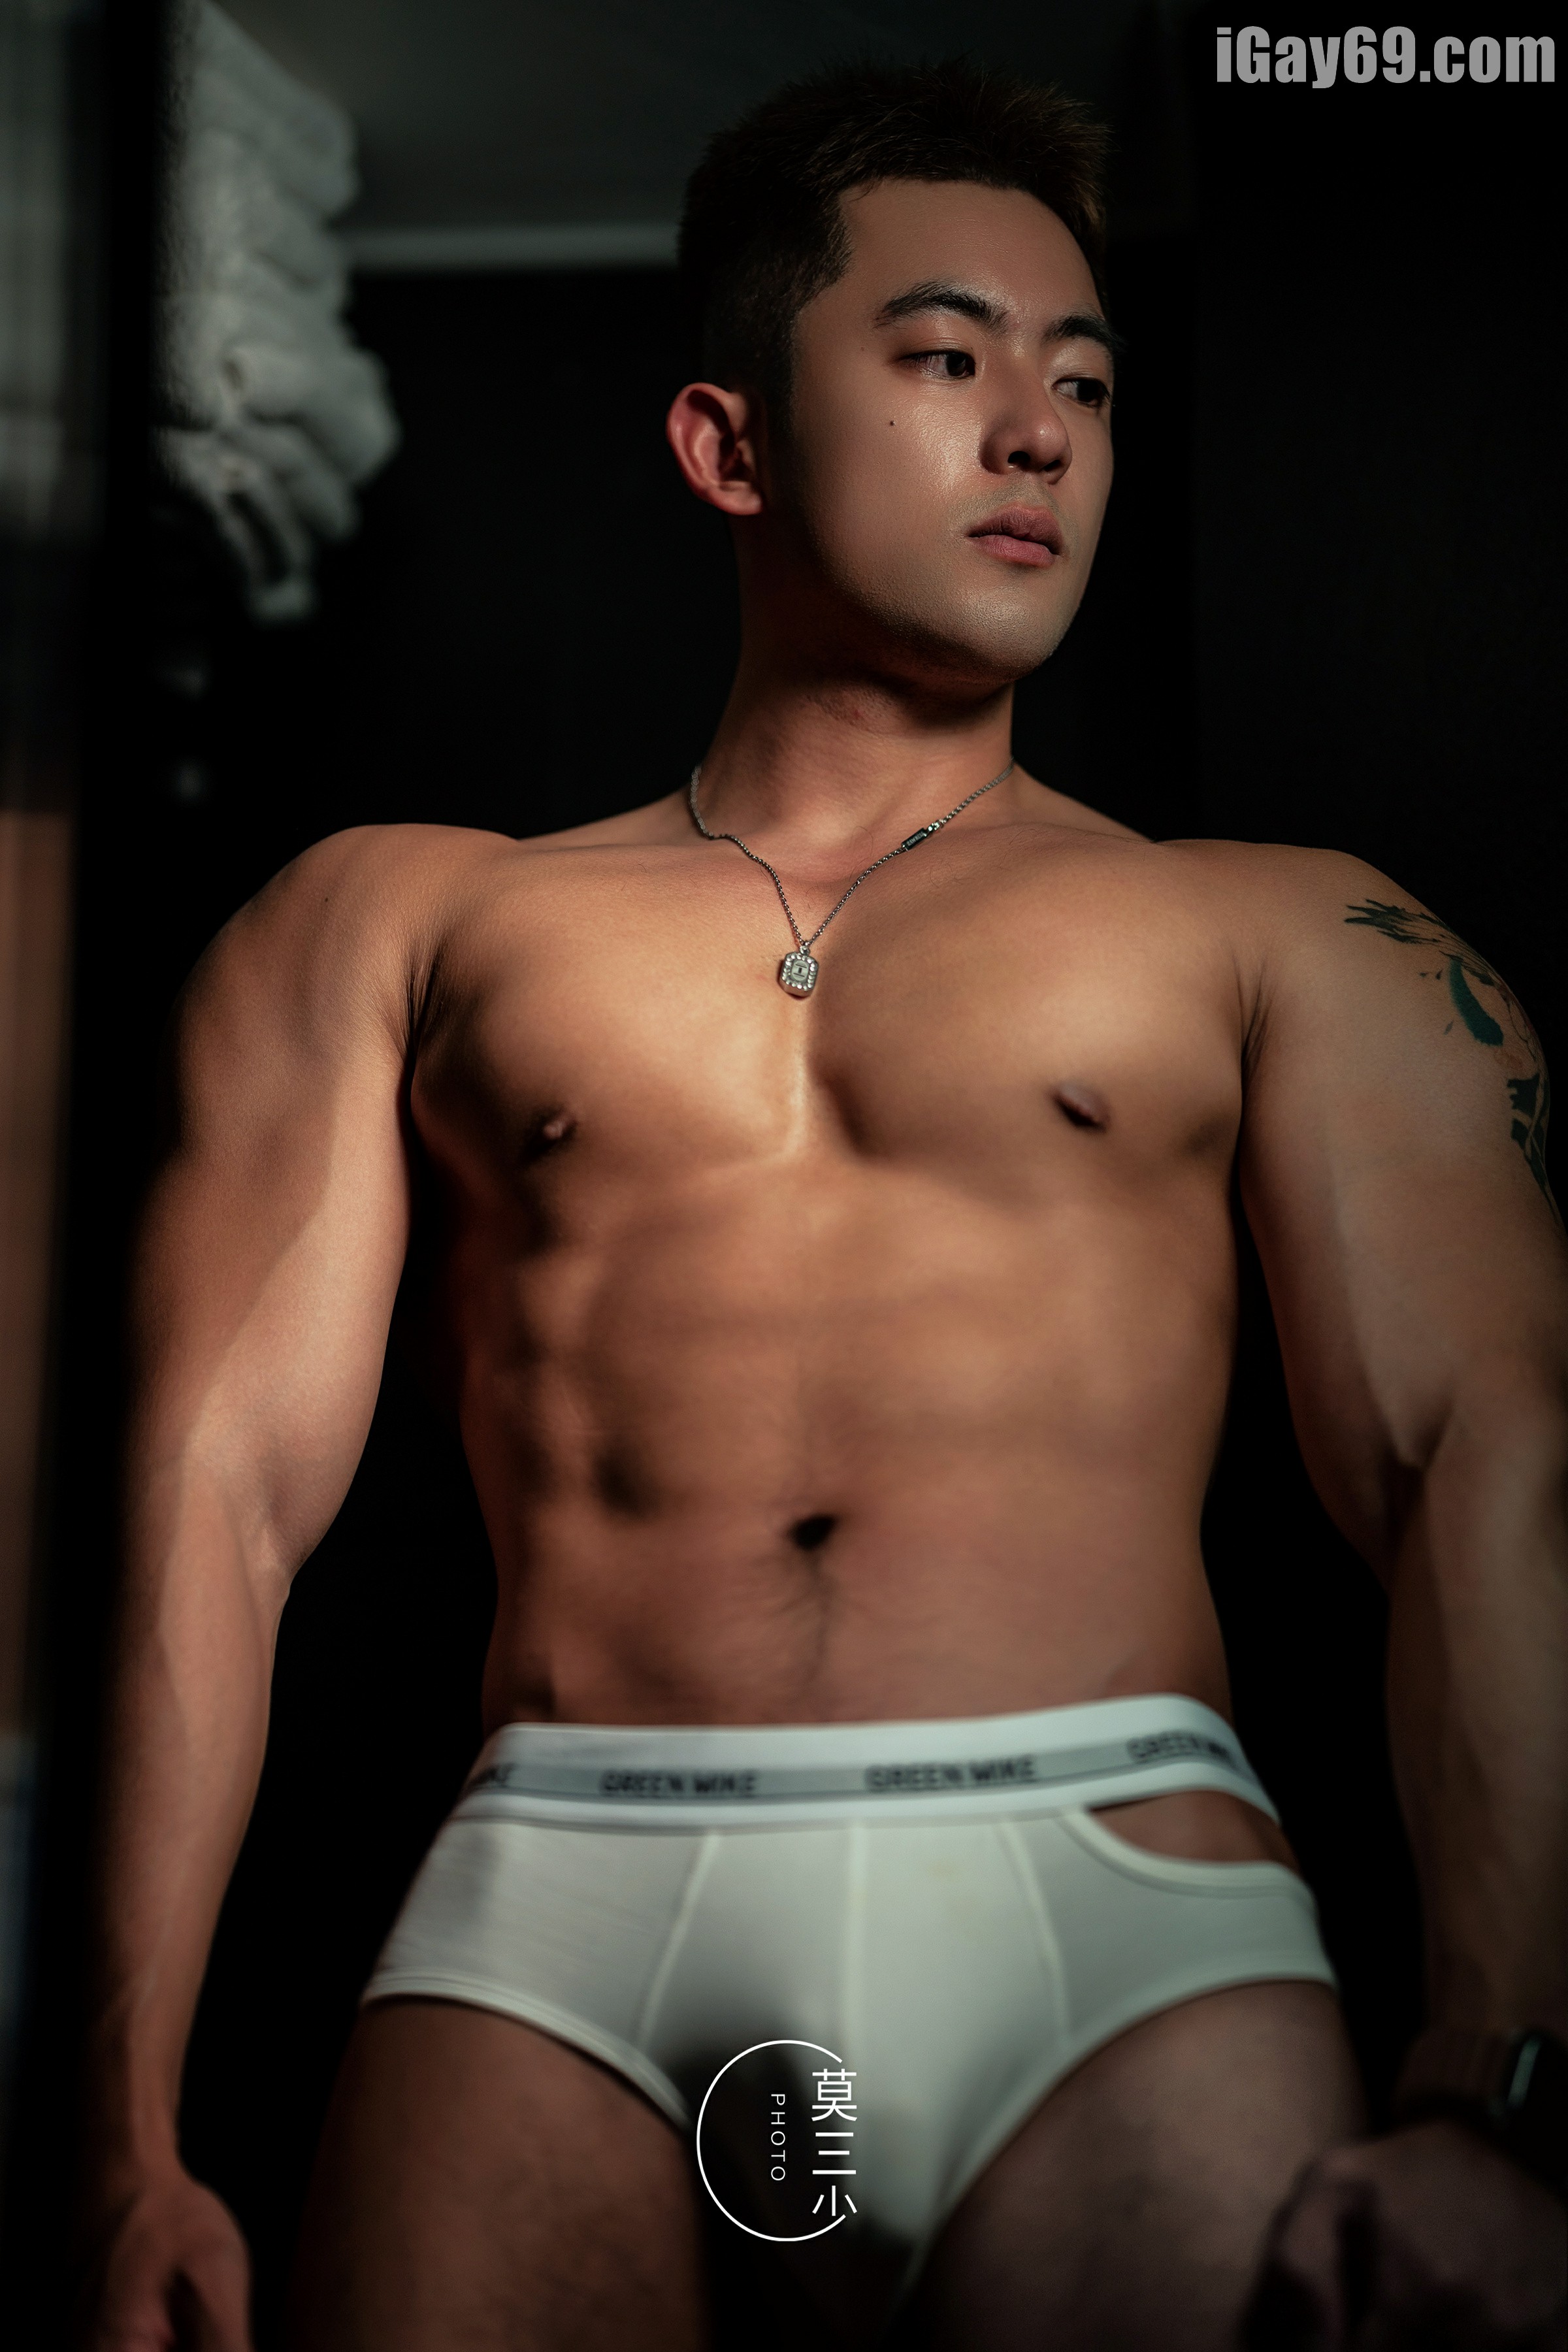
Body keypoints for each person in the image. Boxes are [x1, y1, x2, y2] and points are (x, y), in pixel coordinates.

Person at [81, 57, 1564, 2352]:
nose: (1042, 434)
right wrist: (113, 2138)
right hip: (561, 1904)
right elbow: (205, 1500)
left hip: (1115, 1909)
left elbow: (1485, 1459)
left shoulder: (1297, 935)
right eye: (950, 358)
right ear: (730, 444)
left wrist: (1498, 2084)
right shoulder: (398, 925)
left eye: (1086, 381)